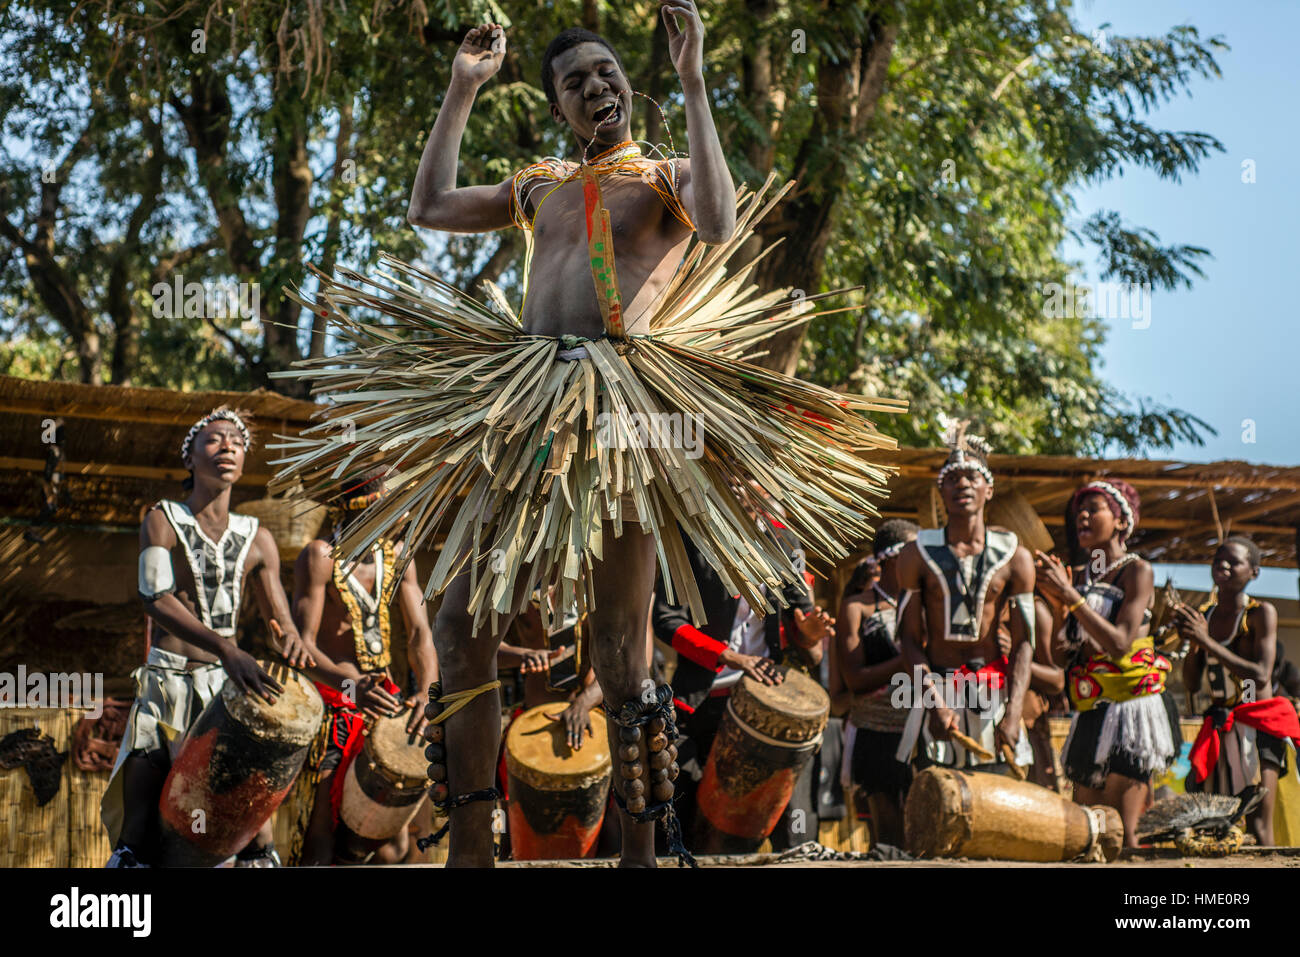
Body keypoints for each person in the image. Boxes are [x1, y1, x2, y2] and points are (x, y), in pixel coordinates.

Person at [272, 10, 895, 868]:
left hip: (625, 410)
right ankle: (473, 845)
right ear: (561, 105)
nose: (595, 86)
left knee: (619, 646)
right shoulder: (538, 184)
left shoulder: (666, 173)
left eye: (606, 74)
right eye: (576, 81)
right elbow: (428, 207)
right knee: (458, 626)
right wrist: (461, 89)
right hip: (522, 406)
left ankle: (640, 843)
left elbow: (718, 221)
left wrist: (695, 77)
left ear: (628, 87)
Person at [103, 407, 315, 868]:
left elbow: (281, 623)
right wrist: (226, 649)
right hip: (167, 688)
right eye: (215, 439)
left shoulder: (257, 539)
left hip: (225, 695)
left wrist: (292, 642)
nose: (228, 448)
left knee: (255, 840)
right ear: (191, 456)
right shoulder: (163, 518)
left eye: (236, 442)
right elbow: (154, 595)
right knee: (138, 838)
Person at [652, 497, 836, 852]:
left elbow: (802, 620)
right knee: (678, 800)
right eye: (733, 482)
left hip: (770, 695)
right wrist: (732, 658)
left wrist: (810, 632)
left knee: (790, 807)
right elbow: (666, 619)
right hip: (702, 697)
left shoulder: (784, 542)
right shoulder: (691, 538)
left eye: (752, 482)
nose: (743, 490)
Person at [287, 472, 439, 865]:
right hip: (334, 703)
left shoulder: (397, 556)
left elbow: (421, 631)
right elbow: (302, 645)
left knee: (392, 847)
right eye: (388, 506)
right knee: (323, 827)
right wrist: (352, 686)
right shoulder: (319, 556)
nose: (399, 516)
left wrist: (426, 692)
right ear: (360, 509)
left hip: (385, 704)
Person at [1036, 479, 1177, 847]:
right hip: (1091, 708)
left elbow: (1118, 644)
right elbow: (1061, 655)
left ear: (1119, 521)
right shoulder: (1081, 577)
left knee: (1122, 832)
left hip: (1132, 710)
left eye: (1093, 509)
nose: (1082, 516)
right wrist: (1056, 604)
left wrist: (1069, 597)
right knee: (1088, 830)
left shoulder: (1137, 571)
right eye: (1078, 511)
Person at [894, 424, 1036, 775]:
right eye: (952, 478)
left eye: (973, 477)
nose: (963, 484)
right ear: (940, 490)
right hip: (939, 691)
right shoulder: (916, 554)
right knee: (939, 810)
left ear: (989, 490)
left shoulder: (1015, 556)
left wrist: (1014, 713)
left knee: (999, 813)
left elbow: (1024, 643)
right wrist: (933, 701)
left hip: (993, 695)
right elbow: (909, 639)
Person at [1177, 537, 1300, 846]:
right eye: (1218, 560)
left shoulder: (1261, 614)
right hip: (1219, 726)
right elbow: (1191, 684)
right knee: (1214, 825)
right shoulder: (1204, 616)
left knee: (1258, 826)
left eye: (1234, 561)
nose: (1224, 565)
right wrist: (1193, 644)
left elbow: (1260, 675)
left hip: (1258, 726)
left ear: (1254, 572)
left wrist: (1206, 642)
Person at [837, 518, 918, 846]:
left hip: (922, 734)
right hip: (877, 733)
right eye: (915, 550)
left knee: (924, 829)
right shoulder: (856, 607)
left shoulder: (926, 602)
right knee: (888, 839)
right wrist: (910, 657)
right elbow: (855, 679)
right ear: (892, 557)